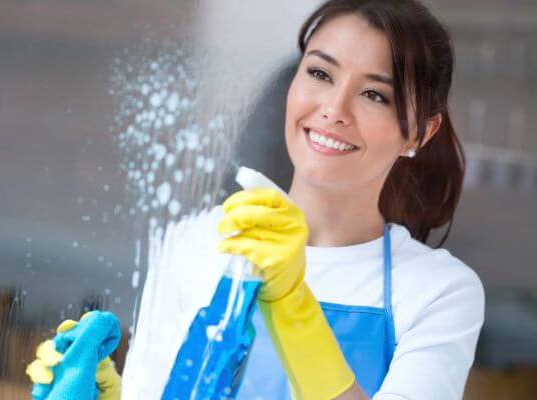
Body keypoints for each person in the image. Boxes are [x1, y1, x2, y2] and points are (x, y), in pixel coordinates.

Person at [29, 0, 485, 399]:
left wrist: (293, 307)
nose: (334, 109)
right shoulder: (198, 241)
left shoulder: (438, 293)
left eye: (373, 94)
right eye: (320, 73)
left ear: (420, 133)